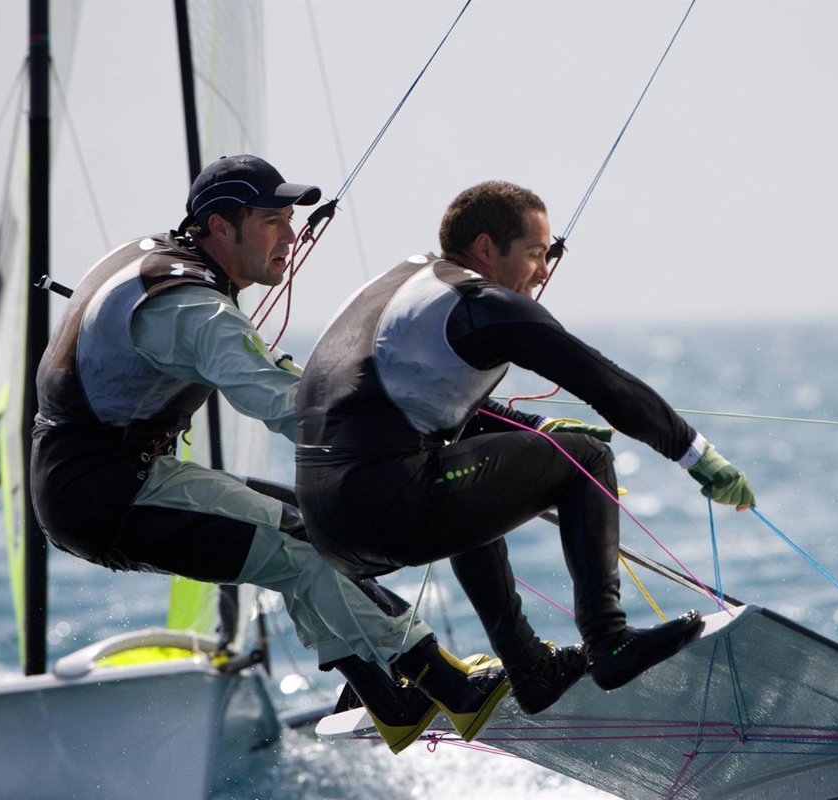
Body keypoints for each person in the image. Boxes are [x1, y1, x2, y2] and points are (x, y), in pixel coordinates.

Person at [29, 155, 509, 753]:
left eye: (290, 220)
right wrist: (400, 443)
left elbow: (280, 380)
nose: (290, 236)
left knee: (306, 529)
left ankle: (386, 696)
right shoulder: (189, 305)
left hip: (109, 478)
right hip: (106, 495)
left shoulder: (162, 261)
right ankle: (446, 684)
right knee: (302, 544)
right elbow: (281, 404)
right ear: (219, 227)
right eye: (272, 221)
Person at [295, 180, 755, 712]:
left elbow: (410, 396)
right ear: (486, 247)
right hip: (389, 504)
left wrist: (534, 425)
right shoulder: (480, 303)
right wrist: (695, 454)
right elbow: (604, 383)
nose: (542, 272)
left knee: (465, 471)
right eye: (536, 254)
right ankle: (609, 641)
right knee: (585, 458)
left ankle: (529, 668)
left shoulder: (405, 282)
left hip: (327, 524)